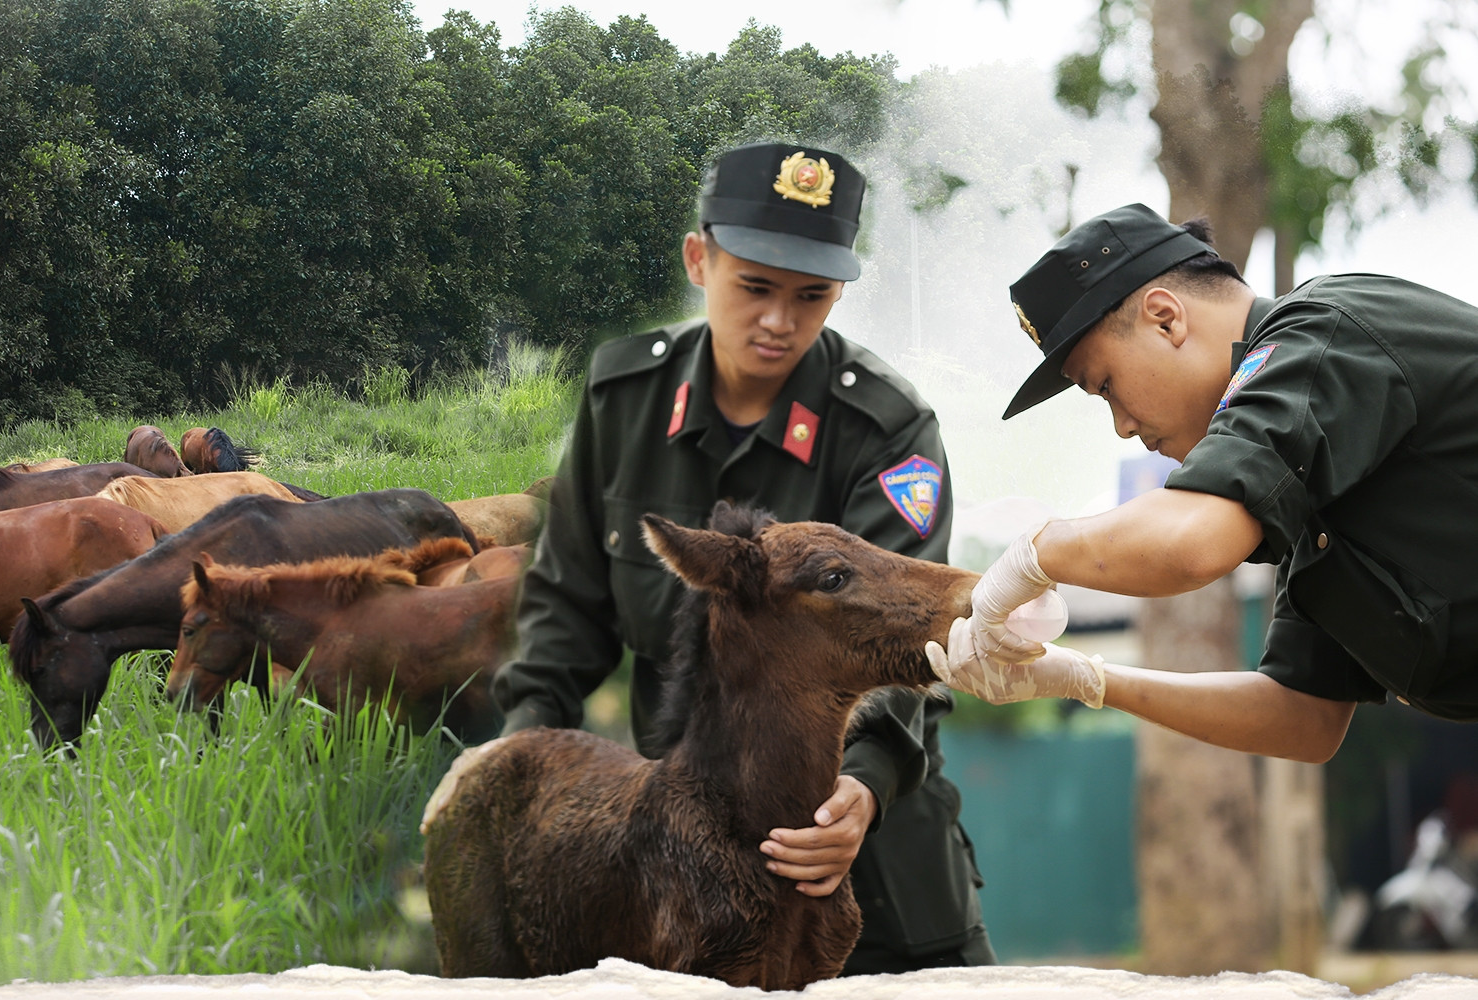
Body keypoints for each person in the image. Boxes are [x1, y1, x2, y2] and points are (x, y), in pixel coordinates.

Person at [491, 142, 996, 973]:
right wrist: (518, 770)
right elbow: (563, 609)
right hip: (685, 872)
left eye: (812, 296)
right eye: (754, 286)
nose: (779, 320)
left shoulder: (887, 428)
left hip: (873, 848)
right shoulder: (624, 399)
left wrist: (861, 790)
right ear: (700, 258)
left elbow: (915, 634)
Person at [926, 201, 1478, 763]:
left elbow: (1192, 542)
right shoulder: (1300, 466)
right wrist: (1083, 679)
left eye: (1107, 387)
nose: (1121, 427)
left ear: (1166, 318)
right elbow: (1303, 717)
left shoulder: (1320, 334)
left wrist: (1032, 554)